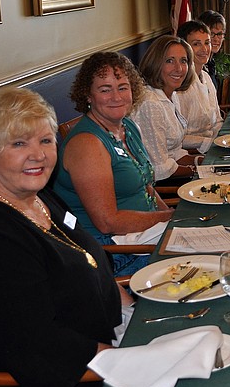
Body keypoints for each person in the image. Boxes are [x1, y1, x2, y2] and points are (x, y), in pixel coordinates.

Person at [0, 88, 131, 387]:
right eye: (18, 143)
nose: (38, 155)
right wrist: (133, 361)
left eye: (45, 140)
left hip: (97, 349)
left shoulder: (33, 195)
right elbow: (40, 348)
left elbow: (87, 257)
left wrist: (134, 315)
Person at [54, 52, 172, 276]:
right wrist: (169, 219)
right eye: (105, 89)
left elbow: (145, 185)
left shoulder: (127, 126)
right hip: (114, 253)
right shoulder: (87, 144)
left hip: (147, 235)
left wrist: (170, 216)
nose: (116, 97)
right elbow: (108, 222)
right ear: (88, 95)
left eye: (122, 86)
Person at [130, 35, 201, 184]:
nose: (179, 68)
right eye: (169, 61)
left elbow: (174, 152)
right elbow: (159, 170)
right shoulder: (150, 103)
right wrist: (201, 170)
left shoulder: (171, 95)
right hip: (161, 187)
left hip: (174, 176)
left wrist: (201, 161)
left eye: (184, 61)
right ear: (155, 63)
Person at [173, 20, 223, 152]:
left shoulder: (206, 77)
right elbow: (178, 139)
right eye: (196, 44)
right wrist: (210, 143)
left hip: (214, 146)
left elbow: (217, 121)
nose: (204, 49)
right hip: (193, 153)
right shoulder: (180, 87)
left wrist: (225, 140)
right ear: (184, 48)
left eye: (207, 43)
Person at [198, 9, 228, 93]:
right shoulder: (198, 65)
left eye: (219, 34)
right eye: (211, 34)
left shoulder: (211, 63)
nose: (216, 39)